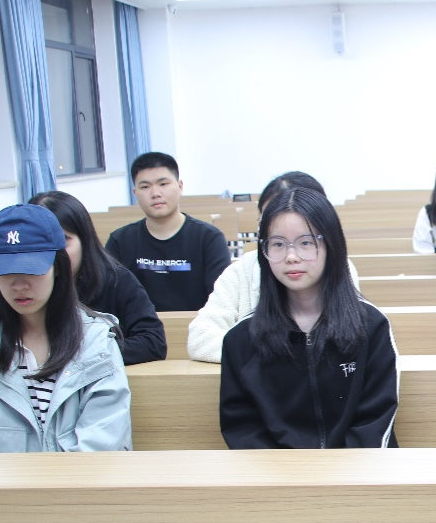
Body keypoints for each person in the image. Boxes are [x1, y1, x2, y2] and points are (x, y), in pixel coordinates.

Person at [0, 204, 131, 453]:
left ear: (58, 266)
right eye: (5, 271)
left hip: (81, 477)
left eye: (31, 269)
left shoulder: (96, 341)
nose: (18, 285)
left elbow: (103, 440)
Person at [219, 187, 398, 449]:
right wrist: (291, 473)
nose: (291, 256)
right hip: (274, 472)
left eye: (306, 242)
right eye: (278, 244)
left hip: (360, 469)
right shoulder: (240, 339)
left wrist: (338, 473)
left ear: (331, 246)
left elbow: (375, 422)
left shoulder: (371, 325)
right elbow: (243, 430)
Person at [188, 171, 360, 363]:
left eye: (304, 239)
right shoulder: (240, 271)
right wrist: (275, 356)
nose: (291, 255)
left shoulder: (340, 268)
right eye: (270, 218)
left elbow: (347, 338)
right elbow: (201, 338)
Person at [29, 190, 166, 365]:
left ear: (84, 239)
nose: (53, 254)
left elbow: (152, 343)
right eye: (40, 243)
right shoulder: (23, 286)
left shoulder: (117, 280)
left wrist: (84, 354)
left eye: (62, 241)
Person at [105, 151, 232, 311]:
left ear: (180, 186)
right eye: (145, 187)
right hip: (138, 326)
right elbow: (110, 297)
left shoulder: (209, 238)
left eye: (163, 184)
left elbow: (221, 301)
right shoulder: (120, 241)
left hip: (198, 325)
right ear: (135, 193)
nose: (155, 193)